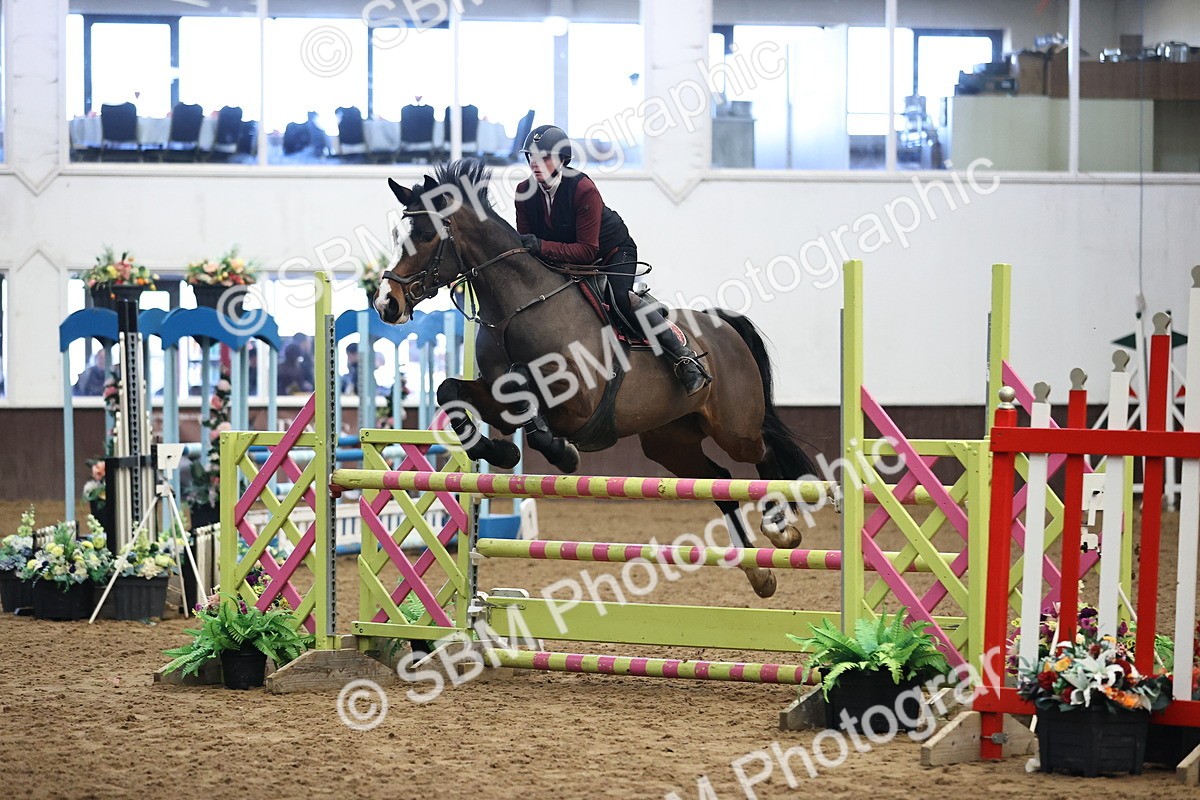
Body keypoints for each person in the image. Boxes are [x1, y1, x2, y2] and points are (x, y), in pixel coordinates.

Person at [514, 125, 711, 395]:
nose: (537, 164)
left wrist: (540, 245)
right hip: (565, 262)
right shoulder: (524, 193)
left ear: (562, 160)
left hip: (612, 253)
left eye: (545, 157)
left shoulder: (583, 189)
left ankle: (683, 357)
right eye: (532, 158)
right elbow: (527, 246)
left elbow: (585, 250)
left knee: (618, 299)